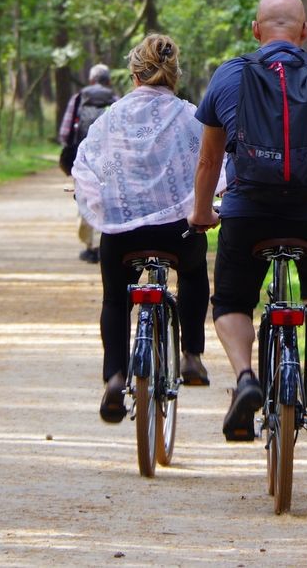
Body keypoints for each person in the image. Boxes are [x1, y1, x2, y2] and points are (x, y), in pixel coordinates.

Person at [189, 0, 307, 442]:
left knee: (231, 298)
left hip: (249, 213)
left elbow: (208, 163)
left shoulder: (229, 75)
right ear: (304, 31)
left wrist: (200, 214)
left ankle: (247, 378)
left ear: (256, 30)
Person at [72, 34, 218, 423]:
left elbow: (89, 166)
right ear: (174, 77)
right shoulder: (191, 116)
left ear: (134, 75)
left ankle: (115, 378)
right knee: (191, 271)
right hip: (177, 231)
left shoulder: (111, 119)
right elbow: (212, 165)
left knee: (115, 299)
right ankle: (191, 356)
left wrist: (94, 198)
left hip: (123, 235)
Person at [60, 63, 117, 263]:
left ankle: (89, 246)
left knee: (84, 197)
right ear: (108, 81)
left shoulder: (78, 99)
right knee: (107, 198)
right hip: (109, 160)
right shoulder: (115, 101)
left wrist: (69, 150)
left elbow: (66, 132)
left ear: (91, 80)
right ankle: (104, 243)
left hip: (82, 158)